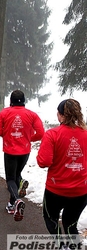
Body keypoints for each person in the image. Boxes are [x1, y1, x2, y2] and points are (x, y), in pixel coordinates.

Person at [37, 99, 87, 239]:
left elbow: (43, 162)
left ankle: (61, 245)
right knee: (71, 224)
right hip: (80, 191)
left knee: (50, 218)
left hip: (56, 190)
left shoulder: (52, 134)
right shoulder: (86, 134)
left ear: (60, 115)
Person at [0, 90, 44, 221]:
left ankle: (16, 200)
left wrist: (8, 134)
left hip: (10, 151)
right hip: (25, 151)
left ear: (11, 101)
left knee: (10, 178)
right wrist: (28, 138)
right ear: (24, 101)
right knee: (16, 175)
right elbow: (40, 132)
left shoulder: (5, 112)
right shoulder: (32, 115)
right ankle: (12, 203)